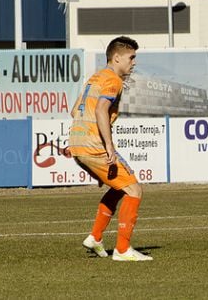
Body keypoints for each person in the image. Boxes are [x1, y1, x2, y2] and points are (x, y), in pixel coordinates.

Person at [68, 36, 152, 261]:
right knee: (134, 190)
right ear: (116, 58)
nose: (134, 63)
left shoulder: (95, 78)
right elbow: (100, 110)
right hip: (93, 145)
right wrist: (109, 147)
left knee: (119, 188)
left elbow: (75, 111)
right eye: (131, 57)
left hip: (77, 144)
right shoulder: (113, 80)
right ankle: (123, 250)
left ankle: (95, 237)